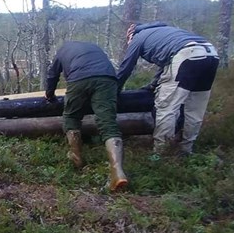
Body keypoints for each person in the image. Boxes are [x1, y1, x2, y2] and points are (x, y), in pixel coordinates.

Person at [116, 22, 219, 156]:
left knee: (166, 108)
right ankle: (186, 150)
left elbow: (126, 68)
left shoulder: (138, 37)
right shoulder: (164, 31)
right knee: (195, 109)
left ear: (131, 35)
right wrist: (153, 85)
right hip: (211, 54)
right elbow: (167, 64)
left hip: (186, 54)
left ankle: (161, 154)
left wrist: (113, 90)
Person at [46, 41, 128, 192]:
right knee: (108, 122)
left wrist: (49, 95)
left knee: (71, 116)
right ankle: (117, 171)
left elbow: (52, 75)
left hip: (79, 78)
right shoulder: (95, 48)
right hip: (107, 78)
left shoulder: (62, 50)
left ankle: (76, 156)